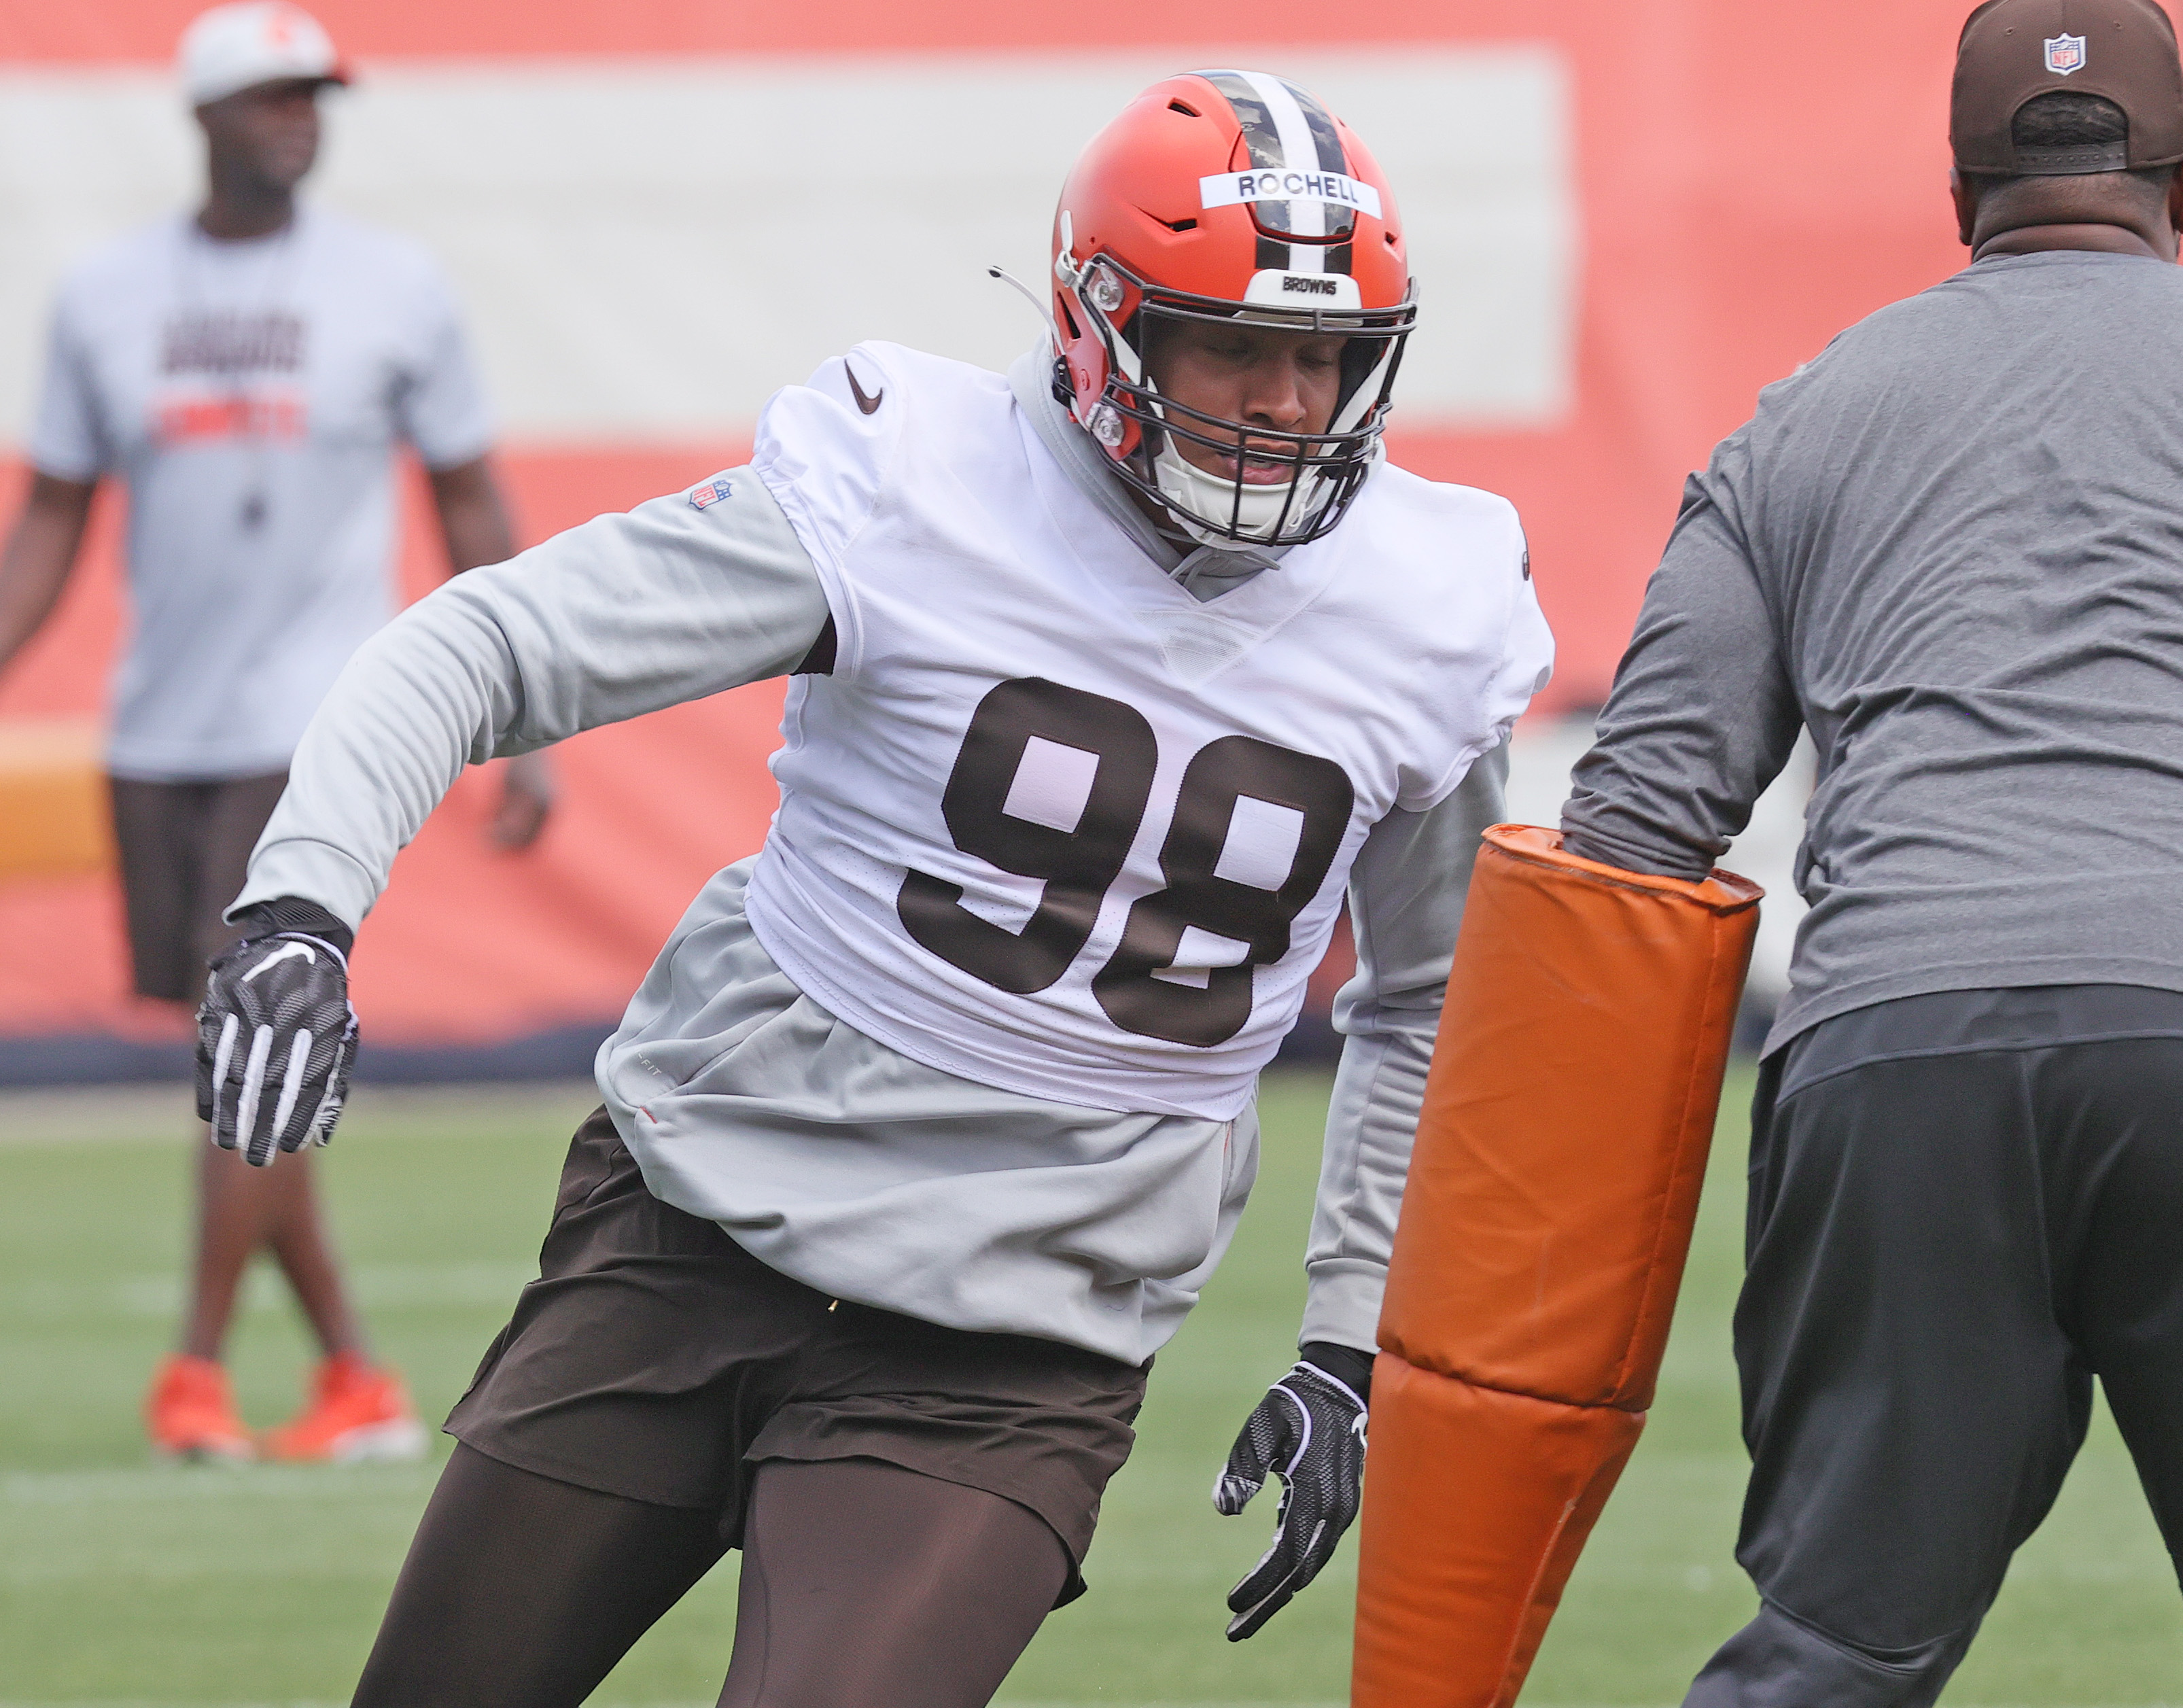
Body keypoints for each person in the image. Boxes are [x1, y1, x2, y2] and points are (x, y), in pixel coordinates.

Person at [193, 68, 1552, 1706]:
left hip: (1020, 1337)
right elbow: (488, 644)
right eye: (1234, 344)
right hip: (697, 1225)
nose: (1284, 399)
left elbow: (1433, 999)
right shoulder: (913, 479)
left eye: (1324, 353)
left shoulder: (1431, 600)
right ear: (1102, 327)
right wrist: (300, 907)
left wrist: (1351, 1337)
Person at [1552, 3, 2183, 1703]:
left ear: (1959, 191)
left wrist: (1556, 1246)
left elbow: (1633, 827)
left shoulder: (1797, 420)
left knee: (1835, 1655)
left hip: (1891, 1060)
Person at [0, 2, 549, 1465]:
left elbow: (472, 502)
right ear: (203, 118)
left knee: (240, 1031)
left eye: (316, 94)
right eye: (270, 96)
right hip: (157, 730)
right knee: (235, 1047)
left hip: (317, 723)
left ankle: (191, 1366)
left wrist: (530, 723)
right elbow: (49, 518)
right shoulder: (107, 295)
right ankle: (357, 1381)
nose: (300, 116)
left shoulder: (395, 289)